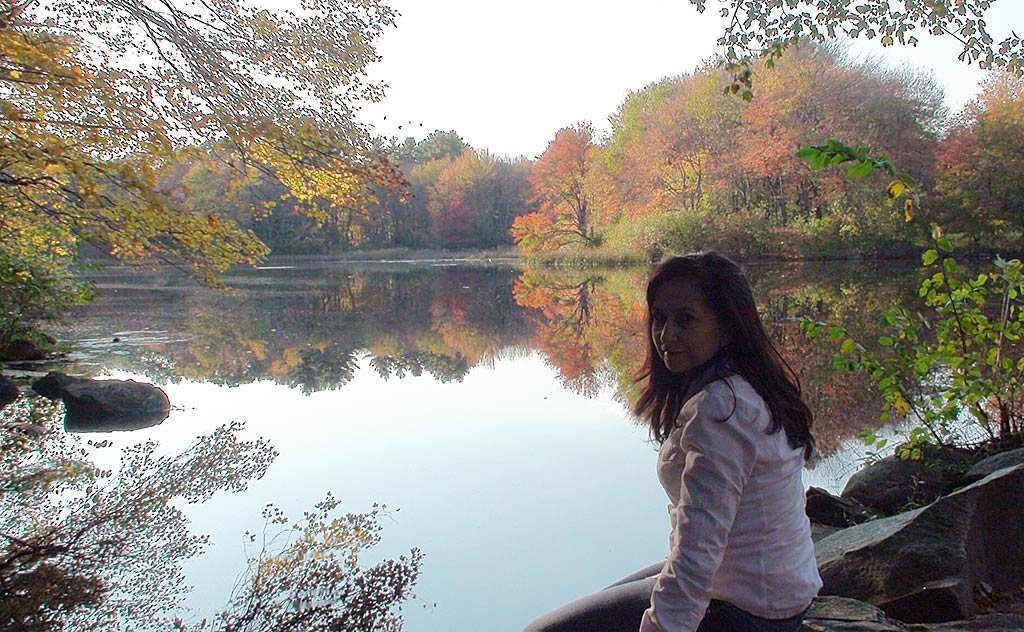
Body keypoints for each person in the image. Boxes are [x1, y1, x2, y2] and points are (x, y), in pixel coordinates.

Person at [634, 252, 821, 632]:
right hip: (776, 588)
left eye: (686, 319)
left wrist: (663, 627)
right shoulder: (748, 385)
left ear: (727, 326)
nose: (666, 335)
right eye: (660, 317)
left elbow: (699, 543)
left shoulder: (721, 411)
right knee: (616, 592)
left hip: (750, 610)